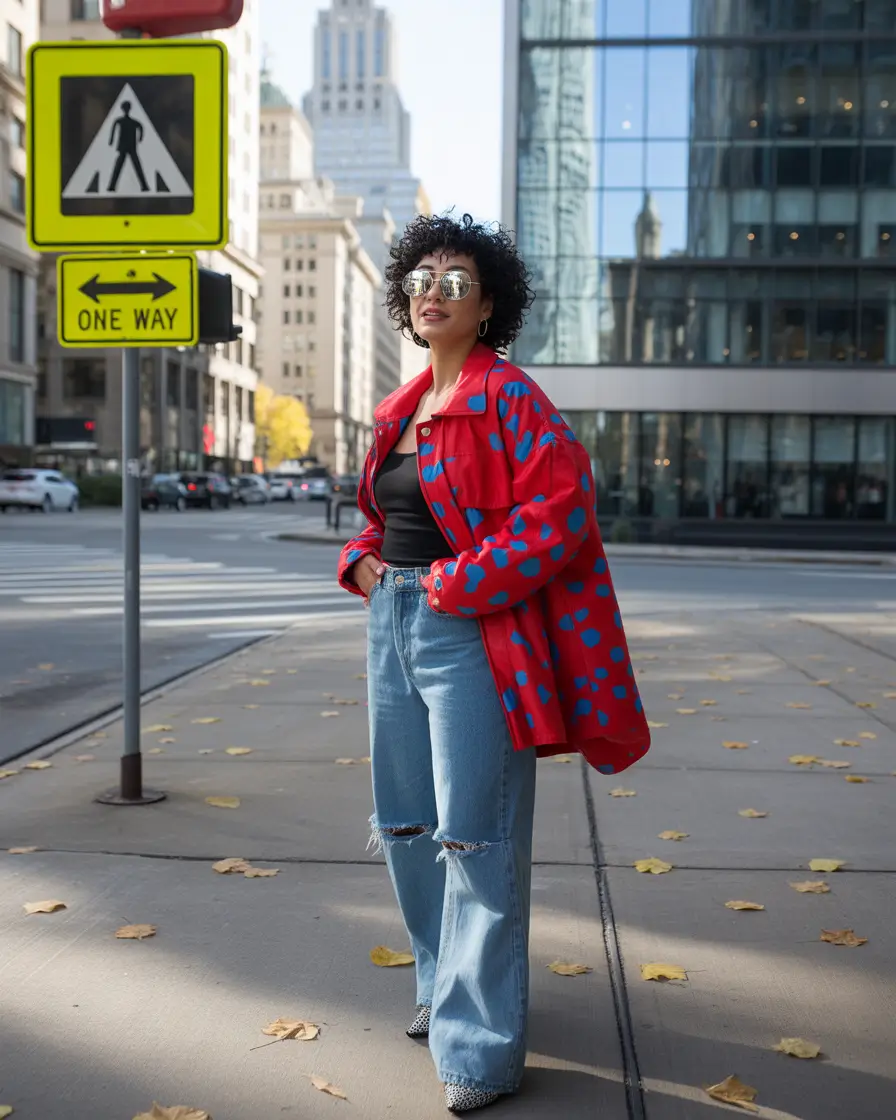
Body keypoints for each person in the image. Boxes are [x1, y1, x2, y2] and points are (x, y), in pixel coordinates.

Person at [338, 213, 650, 1114]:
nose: (433, 292)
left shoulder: (508, 397)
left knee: (474, 834)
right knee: (405, 822)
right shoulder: (401, 408)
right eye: (422, 277)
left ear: (488, 308)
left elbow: (559, 511)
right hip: (390, 620)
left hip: (471, 631)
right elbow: (380, 511)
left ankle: (479, 1049)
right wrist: (360, 560)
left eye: (456, 281)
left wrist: (455, 584)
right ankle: (442, 988)